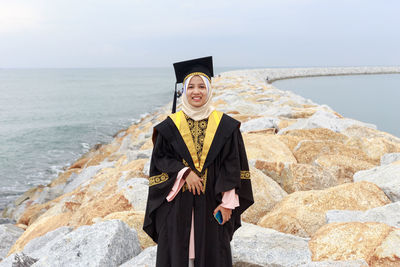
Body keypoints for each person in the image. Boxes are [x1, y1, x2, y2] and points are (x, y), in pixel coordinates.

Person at [143, 56, 254, 267]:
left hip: (212, 204)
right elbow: (160, 161)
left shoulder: (225, 126)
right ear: (183, 91)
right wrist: (184, 172)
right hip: (177, 208)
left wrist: (228, 204)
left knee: (213, 254)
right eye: (191, 86)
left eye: (202, 86)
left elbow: (232, 165)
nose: (196, 91)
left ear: (209, 90)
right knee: (178, 256)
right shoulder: (170, 127)